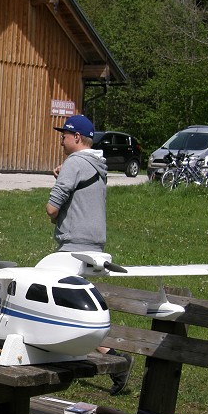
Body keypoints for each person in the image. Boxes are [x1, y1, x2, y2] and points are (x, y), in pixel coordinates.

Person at [46, 114, 133, 395]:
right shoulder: (97, 163)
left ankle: (115, 359)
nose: (60, 140)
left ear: (76, 138)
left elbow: (52, 207)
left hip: (74, 245)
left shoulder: (74, 163)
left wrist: (54, 209)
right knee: (70, 304)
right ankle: (109, 356)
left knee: (52, 300)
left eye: (64, 135)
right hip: (94, 245)